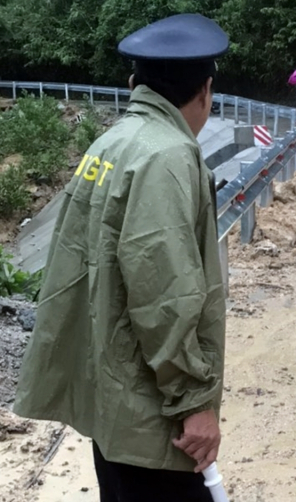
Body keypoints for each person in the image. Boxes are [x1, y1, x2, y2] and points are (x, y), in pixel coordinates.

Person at [12, 13, 228, 502]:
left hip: (112, 400)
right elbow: (165, 296)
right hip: (150, 415)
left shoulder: (113, 142)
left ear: (135, 85)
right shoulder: (168, 156)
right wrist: (194, 404)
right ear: (205, 92)